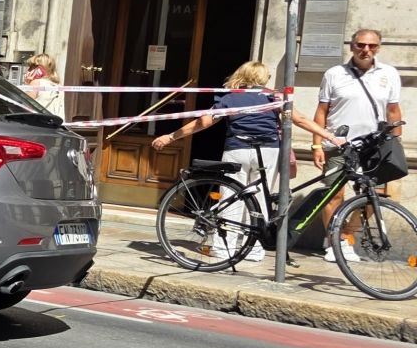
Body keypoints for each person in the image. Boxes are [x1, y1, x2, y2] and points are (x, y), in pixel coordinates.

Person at [153, 61, 343, 265]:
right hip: (268, 151)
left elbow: (203, 122)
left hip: (238, 149)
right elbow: (301, 120)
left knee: (231, 195)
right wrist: (331, 138)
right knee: (261, 199)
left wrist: (171, 136)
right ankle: (254, 249)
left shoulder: (230, 97)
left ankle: (223, 248)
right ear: (262, 78)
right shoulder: (274, 96)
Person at [310, 28, 404, 261]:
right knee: (334, 195)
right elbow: (322, 111)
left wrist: (396, 142)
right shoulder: (334, 74)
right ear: (352, 46)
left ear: (378, 48)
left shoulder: (389, 73)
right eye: (361, 45)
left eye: (372, 46)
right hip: (339, 144)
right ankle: (335, 243)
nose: (366, 50)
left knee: (377, 194)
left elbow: (393, 110)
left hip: (374, 146)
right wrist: (317, 145)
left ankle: (347, 236)